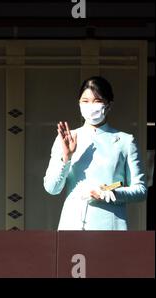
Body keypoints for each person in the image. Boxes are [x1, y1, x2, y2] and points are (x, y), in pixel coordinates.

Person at [43, 76, 147, 230]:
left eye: (97, 101)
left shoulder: (125, 141)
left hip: (111, 226)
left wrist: (112, 194)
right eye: (85, 101)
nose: (90, 106)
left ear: (109, 105)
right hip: (72, 226)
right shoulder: (67, 138)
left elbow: (141, 190)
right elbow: (52, 188)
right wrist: (66, 158)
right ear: (79, 104)